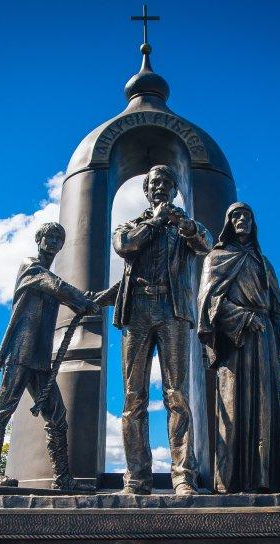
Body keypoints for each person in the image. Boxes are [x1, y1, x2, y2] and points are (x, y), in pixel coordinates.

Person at [112, 165, 213, 495]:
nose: (161, 187)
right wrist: (155, 221)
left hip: (173, 311)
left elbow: (205, 245)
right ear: (147, 190)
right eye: (155, 183)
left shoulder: (183, 228)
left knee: (177, 395)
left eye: (167, 183)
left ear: (174, 191)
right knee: (133, 397)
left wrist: (184, 225)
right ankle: (137, 478)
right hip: (138, 311)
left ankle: (184, 476)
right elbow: (124, 244)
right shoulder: (132, 225)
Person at [0, 222, 100, 492]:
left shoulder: (48, 276)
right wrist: (82, 300)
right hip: (20, 352)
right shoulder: (32, 267)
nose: (54, 241)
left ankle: (64, 479)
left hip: (39, 359)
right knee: (2, 409)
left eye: (59, 237)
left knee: (57, 415)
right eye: (49, 235)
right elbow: (56, 286)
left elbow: (68, 293)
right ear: (39, 239)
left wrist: (90, 299)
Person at [197, 202, 280, 493]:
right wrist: (241, 317)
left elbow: (278, 307)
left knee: (265, 404)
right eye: (236, 216)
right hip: (235, 341)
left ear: (253, 223)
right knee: (233, 401)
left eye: (247, 216)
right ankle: (231, 480)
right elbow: (207, 302)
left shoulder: (263, 264)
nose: (242, 220)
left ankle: (266, 478)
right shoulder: (216, 258)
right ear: (228, 222)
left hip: (264, 337)